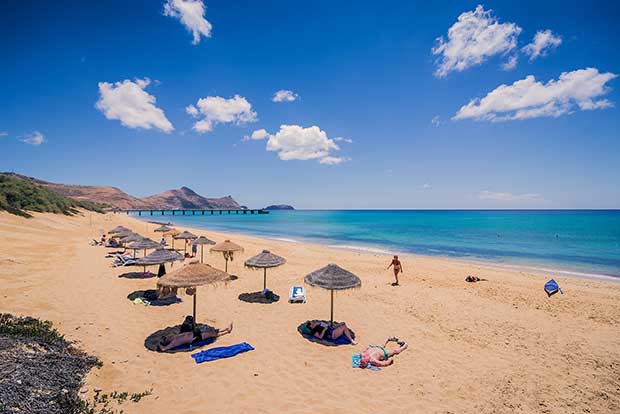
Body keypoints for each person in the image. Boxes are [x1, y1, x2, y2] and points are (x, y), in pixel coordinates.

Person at [158, 322, 233, 351]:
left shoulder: (174, 337)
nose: (168, 336)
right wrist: (160, 344)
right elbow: (164, 349)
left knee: (209, 331)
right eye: (166, 338)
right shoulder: (174, 342)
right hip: (194, 338)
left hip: (193, 334)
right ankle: (226, 331)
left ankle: (225, 329)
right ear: (167, 341)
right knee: (211, 334)